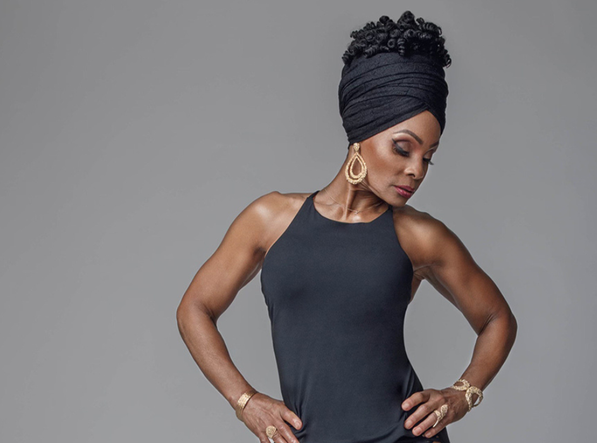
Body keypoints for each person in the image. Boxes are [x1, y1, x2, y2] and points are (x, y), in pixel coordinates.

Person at [176, 10, 517, 443]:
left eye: (428, 157)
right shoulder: (270, 219)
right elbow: (195, 309)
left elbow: (497, 318)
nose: (416, 170)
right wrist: (245, 401)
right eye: (403, 149)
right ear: (362, 132)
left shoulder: (420, 236)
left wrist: (462, 395)